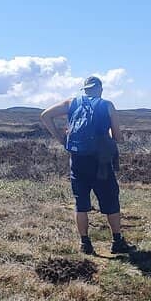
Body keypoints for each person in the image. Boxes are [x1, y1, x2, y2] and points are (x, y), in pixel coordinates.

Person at [40, 75, 129, 256]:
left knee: (81, 204)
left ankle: (85, 243)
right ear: (100, 90)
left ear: (85, 89)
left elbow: (45, 115)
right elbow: (118, 137)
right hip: (101, 162)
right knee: (111, 200)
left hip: (78, 160)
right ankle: (117, 241)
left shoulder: (71, 102)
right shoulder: (107, 105)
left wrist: (61, 139)